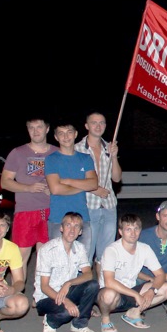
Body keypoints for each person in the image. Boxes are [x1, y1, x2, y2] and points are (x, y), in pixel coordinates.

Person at [0, 116, 58, 279]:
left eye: (39, 127)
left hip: (51, 212)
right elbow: (5, 182)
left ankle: (40, 297)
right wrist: (28, 188)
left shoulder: (57, 152)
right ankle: (17, 297)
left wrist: (54, 190)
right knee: (20, 257)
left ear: (47, 129)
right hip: (26, 211)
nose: (35, 131)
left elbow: (66, 180)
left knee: (46, 258)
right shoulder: (18, 153)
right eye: (31, 128)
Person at [97, 213, 167, 332]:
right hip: (113, 293)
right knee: (109, 295)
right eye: (128, 229)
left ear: (140, 231)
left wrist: (151, 291)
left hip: (131, 289)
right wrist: (136, 295)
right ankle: (105, 319)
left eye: (136, 229)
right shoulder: (111, 250)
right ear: (121, 232)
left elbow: (160, 275)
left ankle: (134, 312)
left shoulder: (144, 248)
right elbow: (109, 282)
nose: (133, 233)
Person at [33, 212, 99, 332]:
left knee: (93, 285)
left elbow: (88, 274)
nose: (72, 230)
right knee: (67, 312)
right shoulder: (47, 250)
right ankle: (50, 321)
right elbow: (44, 287)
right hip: (46, 297)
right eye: (68, 225)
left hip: (67, 290)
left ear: (80, 232)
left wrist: (69, 283)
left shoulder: (80, 248)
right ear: (61, 228)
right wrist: (66, 302)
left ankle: (79, 324)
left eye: (76, 226)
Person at [74, 111, 122, 274]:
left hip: (109, 205)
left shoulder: (109, 147)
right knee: (86, 250)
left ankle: (104, 289)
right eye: (94, 122)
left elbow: (116, 178)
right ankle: (84, 289)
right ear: (87, 126)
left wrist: (114, 157)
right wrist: (95, 189)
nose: (98, 126)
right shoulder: (77, 149)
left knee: (106, 253)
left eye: (102, 122)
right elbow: (71, 179)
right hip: (88, 205)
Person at [45, 121, 98, 254]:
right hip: (58, 219)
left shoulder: (85, 159)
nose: (65, 137)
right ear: (56, 137)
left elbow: (93, 184)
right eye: (61, 133)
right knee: (58, 262)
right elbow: (56, 189)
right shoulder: (51, 160)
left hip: (83, 218)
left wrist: (67, 181)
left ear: (75, 134)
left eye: (69, 132)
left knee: (83, 262)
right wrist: (82, 185)